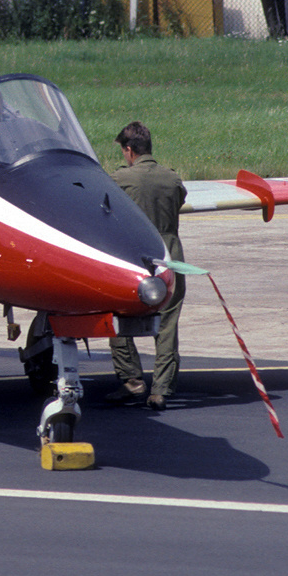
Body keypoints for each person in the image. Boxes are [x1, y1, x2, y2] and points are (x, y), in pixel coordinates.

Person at [105, 121, 187, 410]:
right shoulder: (171, 178)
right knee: (167, 324)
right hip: (170, 255)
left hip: (133, 255)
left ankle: (132, 379)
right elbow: (179, 202)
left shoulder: (119, 180)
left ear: (129, 150)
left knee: (116, 315)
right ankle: (161, 389)